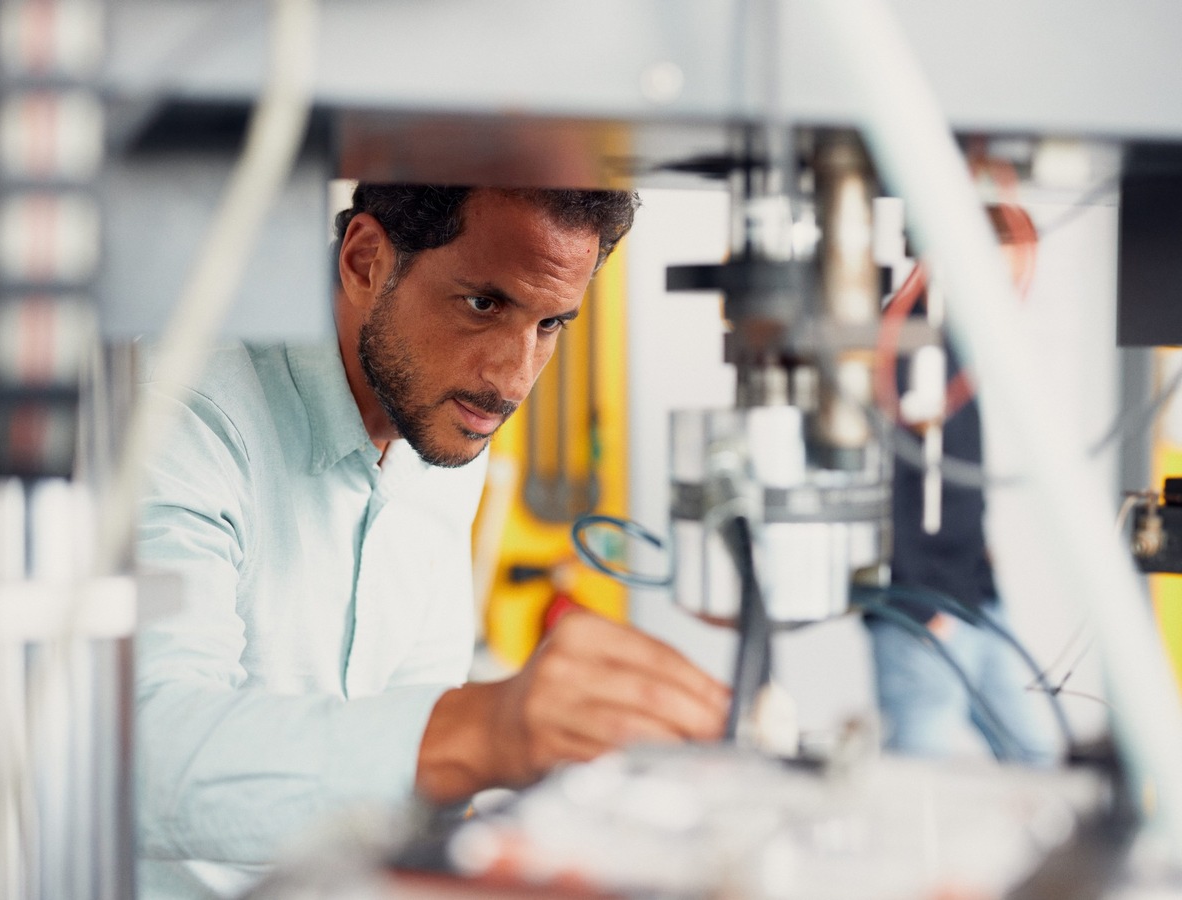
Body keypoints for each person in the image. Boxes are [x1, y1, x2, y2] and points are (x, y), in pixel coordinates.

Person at [134, 184, 730, 899]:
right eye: (484, 304)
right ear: (364, 260)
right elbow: (150, 755)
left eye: (550, 325)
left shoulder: (440, 424)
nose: (512, 378)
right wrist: (484, 730)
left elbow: (415, 727)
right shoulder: (181, 416)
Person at [866, 205, 1057, 767]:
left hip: (978, 597)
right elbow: (888, 479)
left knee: (1037, 759)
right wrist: (924, 603)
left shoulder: (958, 345)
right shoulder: (906, 340)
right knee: (921, 776)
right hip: (927, 611)